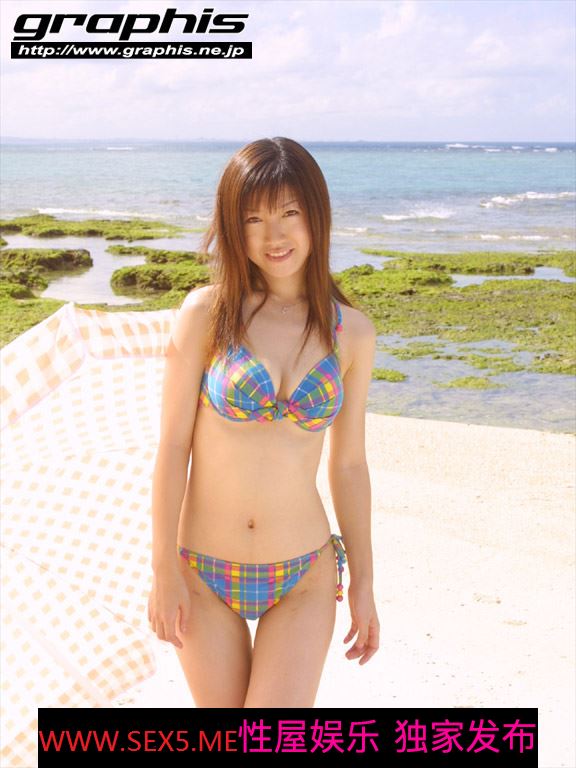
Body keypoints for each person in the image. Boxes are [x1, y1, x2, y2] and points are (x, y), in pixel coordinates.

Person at [147, 136, 380, 708]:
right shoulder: (206, 314)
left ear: (316, 214)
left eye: (289, 213)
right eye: (253, 219)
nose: (273, 236)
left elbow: (349, 465)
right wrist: (162, 569)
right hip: (201, 570)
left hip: (303, 573)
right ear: (234, 227)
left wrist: (365, 582)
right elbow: (173, 446)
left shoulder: (352, 332)